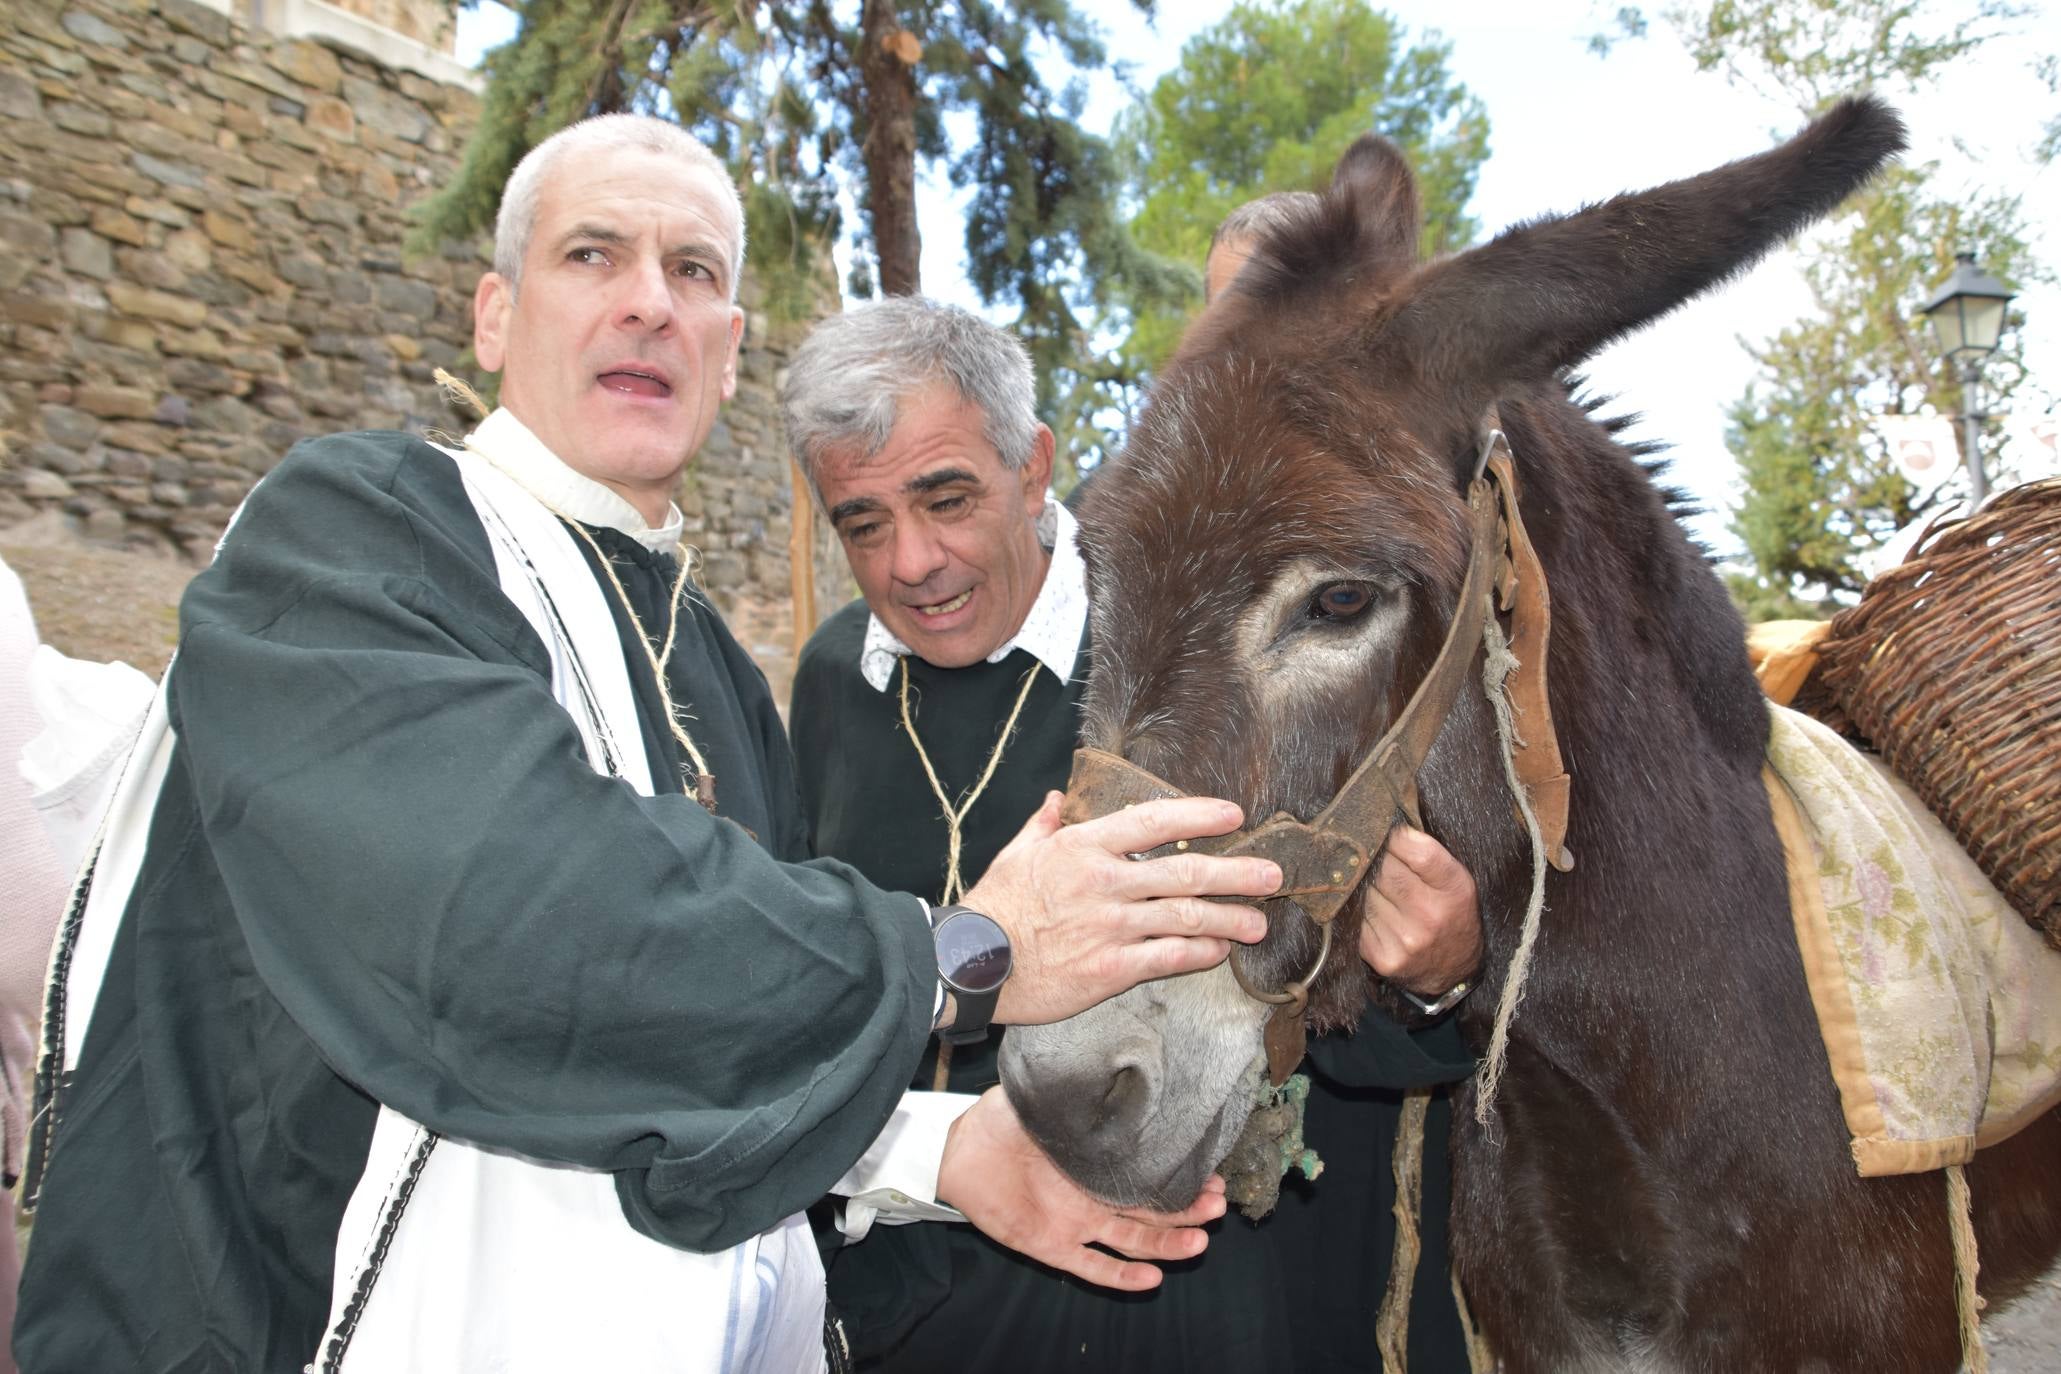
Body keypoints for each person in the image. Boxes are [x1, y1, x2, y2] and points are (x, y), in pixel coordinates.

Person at [13, 116, 1285, 1374]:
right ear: (495, 317)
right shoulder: (357, 534)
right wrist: (970, 953)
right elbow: (513, 934)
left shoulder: (721, 670)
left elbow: (687, 1039)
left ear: (728, 355)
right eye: (592, 255)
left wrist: (931, 1152)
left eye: (695, 274)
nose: (648, 305)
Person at [784, 296, 1485, 1372]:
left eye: (947, 498)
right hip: (914, 1309)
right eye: (861, 523)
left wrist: (1440, 976)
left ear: (1034, 468)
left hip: (1190, 1303)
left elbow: (1341, 973)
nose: (912, 562)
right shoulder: (833, 680)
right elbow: (808, 997)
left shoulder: (1195, 634)